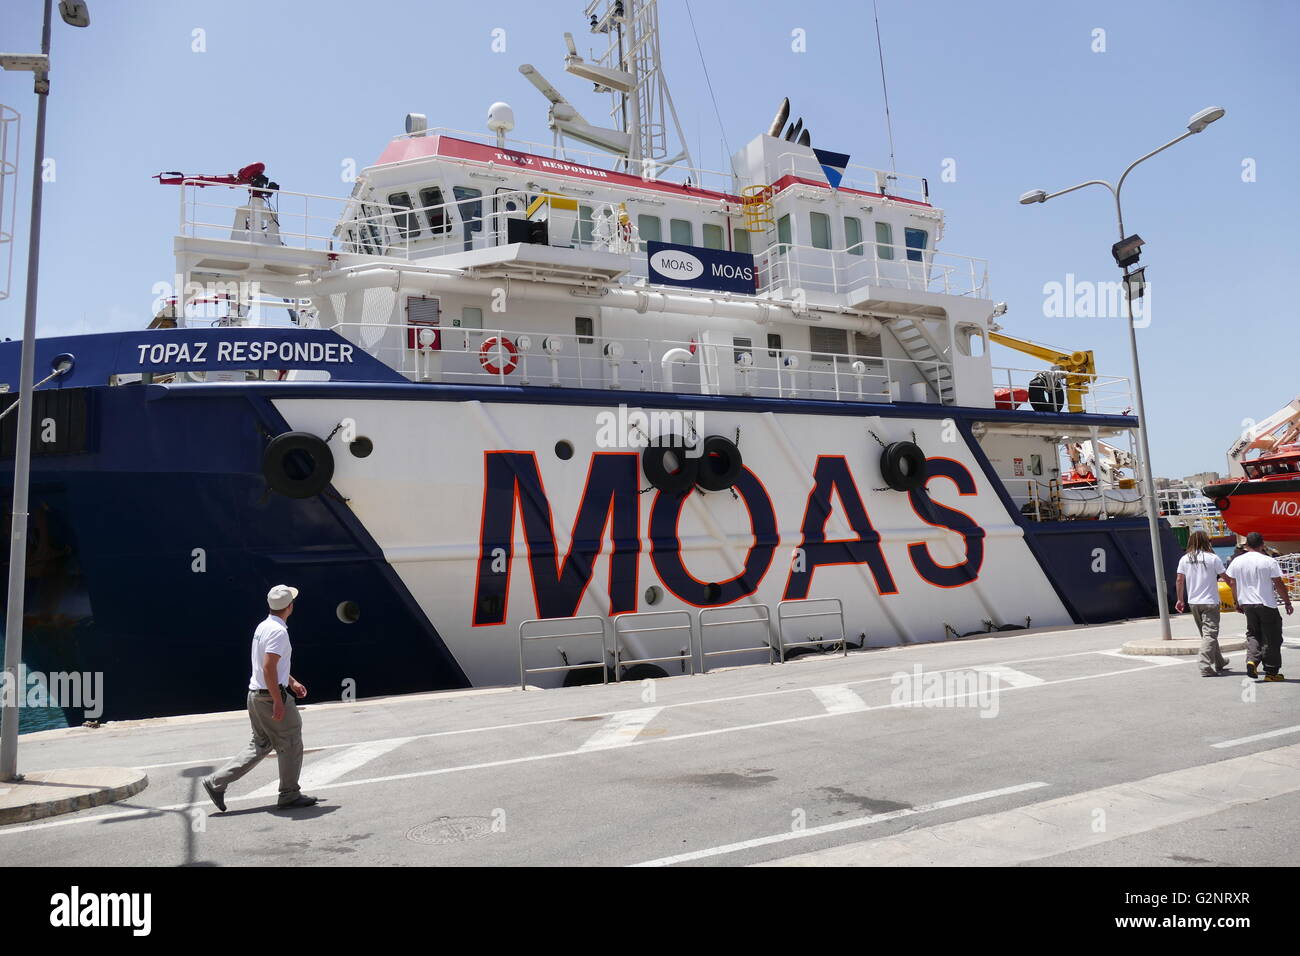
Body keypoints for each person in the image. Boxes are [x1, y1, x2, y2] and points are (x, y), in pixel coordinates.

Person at [202, 585, 320, 811]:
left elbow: (270, 665)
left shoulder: (263, 627)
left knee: (260, 744)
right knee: (291, 742)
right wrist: (278, 699)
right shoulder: (279, 632)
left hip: (255, 695)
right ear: (290, 607)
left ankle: (216, 782)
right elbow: (268, 668)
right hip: (269, 697)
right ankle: (289, 794)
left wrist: (292, 681)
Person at [1224, 532, 1293, 682]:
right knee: (1272, 637)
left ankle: (1252, 660)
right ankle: (1271, 672)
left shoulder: (1237, 561)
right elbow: (1278, 583)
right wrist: (1287, 602)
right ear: (1262, 544)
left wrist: (1237, 602)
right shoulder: (1268, 561)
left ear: (1246, 545)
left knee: (1253, 633)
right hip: (1266, 603)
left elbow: (1233, 583)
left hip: (1247, 604)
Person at [1175, 531, 1232, 676]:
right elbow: (1226, 578)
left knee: (1207, 634)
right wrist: (1238, 593)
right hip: (1210, 602)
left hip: (1193, 602)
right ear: (1207, 541)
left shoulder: (1184, 559)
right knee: (1210, 634)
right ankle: (1204, 665)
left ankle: (1219, 662)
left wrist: (1180, 599)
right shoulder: (1213, 558)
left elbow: (1179, 580)